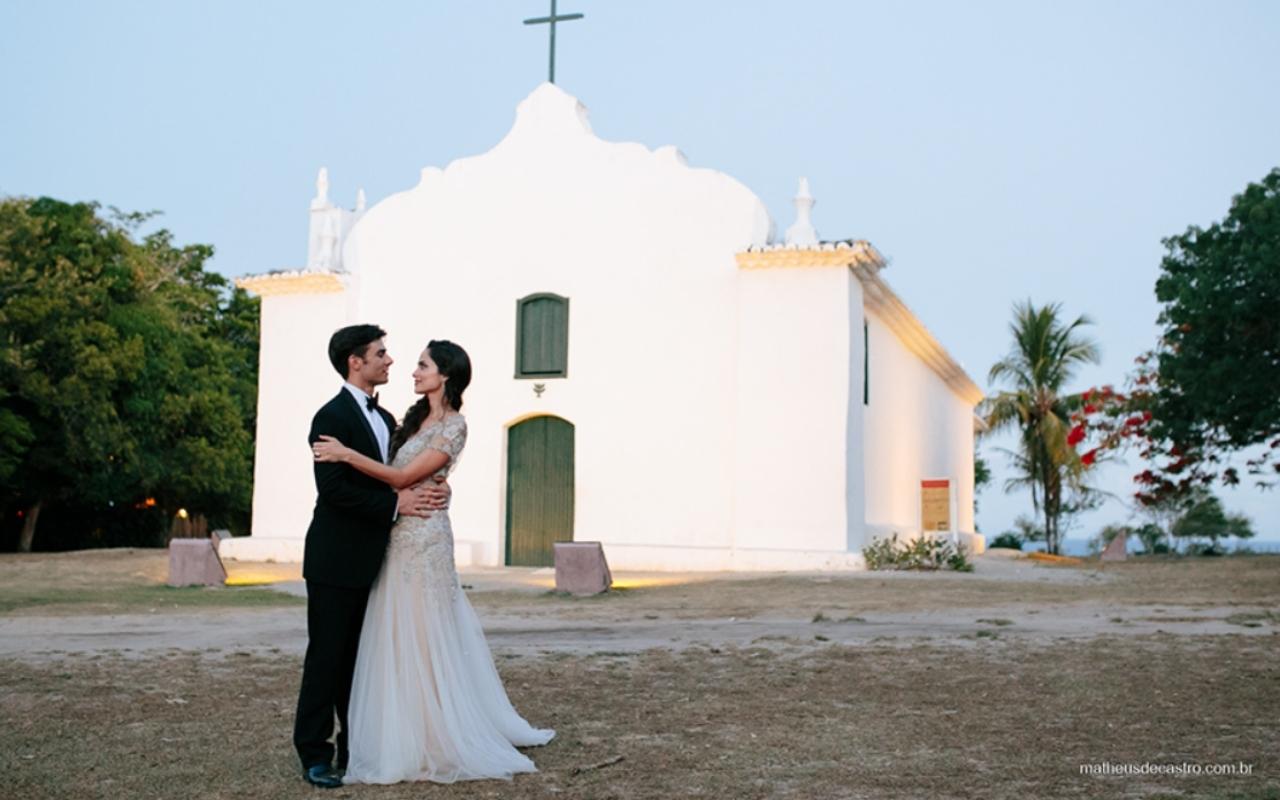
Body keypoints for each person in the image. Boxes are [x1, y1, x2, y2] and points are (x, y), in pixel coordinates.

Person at [313, 339, 554, 784]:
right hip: (392, 538)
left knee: (425, 636)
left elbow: (406, 476)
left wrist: (347, 453)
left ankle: (432, 734)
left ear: (445, 374)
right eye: (388, 355)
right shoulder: (405, 420)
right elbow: (399, 478)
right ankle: (387, 732)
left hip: (424, 537)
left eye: (422, 365)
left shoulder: (455, 425)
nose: (409, 369)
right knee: (391, 636)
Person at [293, 325, 449, 789]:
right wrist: (394, 505)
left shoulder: (386, 420)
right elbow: (335, 491)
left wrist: (431, 485)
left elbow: (398, 472)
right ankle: (315, 754)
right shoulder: (330, 418)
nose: (390, 361)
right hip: (335, 558)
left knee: (363, 661)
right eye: (381, 354)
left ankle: (355, 747)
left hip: (381, 561)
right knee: (328, 658)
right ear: (354, 362)